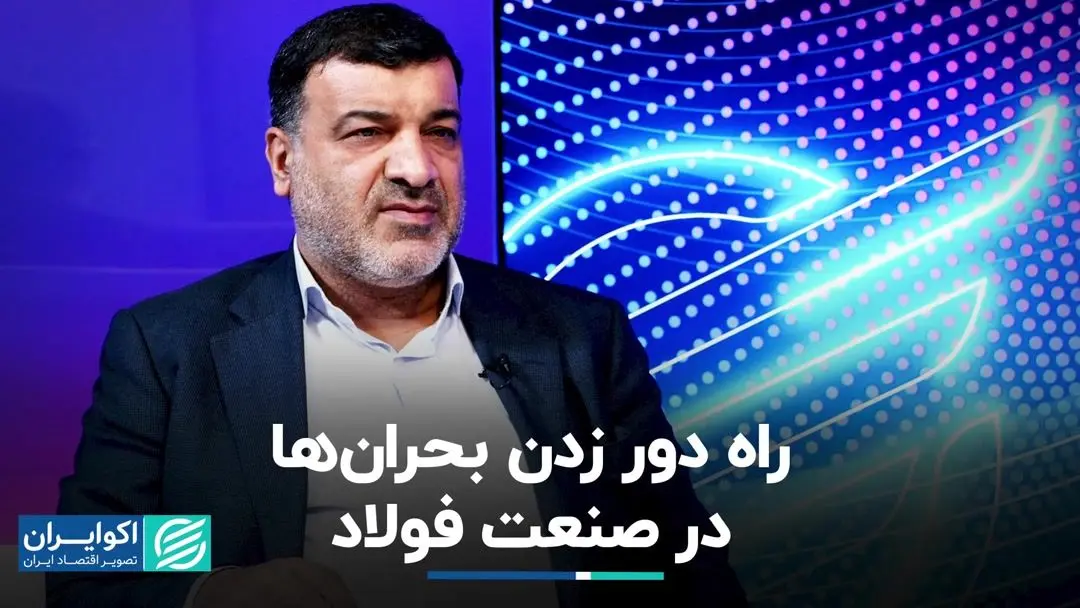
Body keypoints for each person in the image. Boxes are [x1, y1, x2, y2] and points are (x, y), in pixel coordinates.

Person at [46, 4, 747, 607]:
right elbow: (80, 561)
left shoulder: (580, 336)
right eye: (368, 132)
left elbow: (685, 568)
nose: (417, 170)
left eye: (440, 131)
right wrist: (210, 593)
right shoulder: (171, 347)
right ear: (284, 162)